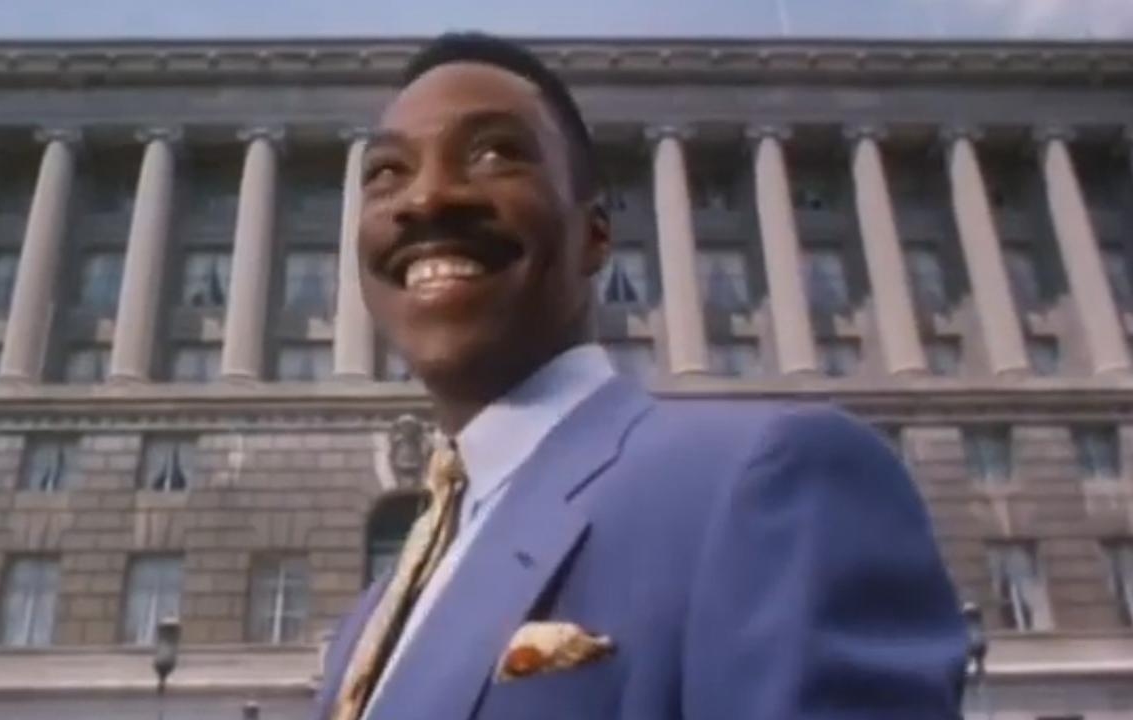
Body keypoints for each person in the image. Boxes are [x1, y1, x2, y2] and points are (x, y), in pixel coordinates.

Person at [312, 31, 968, 720]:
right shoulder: (368, 624)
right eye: (387, 171)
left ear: (595, 235)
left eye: (494, 153)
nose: (428, 197)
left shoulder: (771, 478)